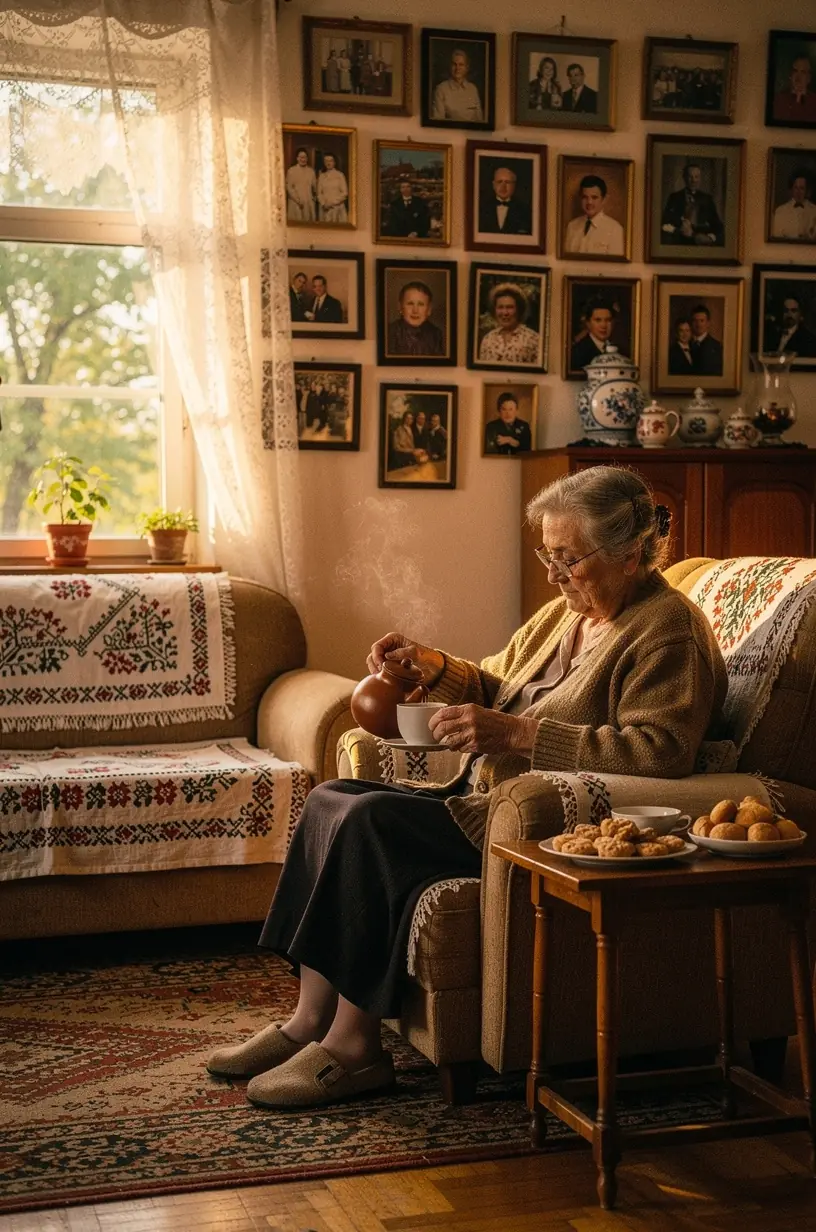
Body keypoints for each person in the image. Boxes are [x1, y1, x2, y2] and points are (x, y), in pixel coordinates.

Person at [206, 466, 727, 1110]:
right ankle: (308, 1020)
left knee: (371, 823)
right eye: (548, 554)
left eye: (568, 557)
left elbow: (662, 750)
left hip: (541, 824)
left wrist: (517, 736)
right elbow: (495, 683)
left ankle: (353, 1049)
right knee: (331, 798)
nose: (554, 573)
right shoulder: (563, 617)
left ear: (627, 552)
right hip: (480, 795)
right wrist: (433, 666)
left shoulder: (667, 630)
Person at [661, 162, 724, 247]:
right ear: (684, 178)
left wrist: (710, 238)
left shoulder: (707, 199)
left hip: (701, 245)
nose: (693, 180)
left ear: (700, 179)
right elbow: (664, 224)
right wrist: (679, 231)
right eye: (690, 176)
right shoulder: (674, 197)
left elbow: (718, 226)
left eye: (696, 177)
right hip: (679, 243)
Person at [478, 283, 540, 366]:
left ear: (519, 309)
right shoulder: (487, 339)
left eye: (510, 307)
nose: (505, 312)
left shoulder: (534, 339)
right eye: (500, 307)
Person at [563, 174, 625, 256]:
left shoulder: (615, 229)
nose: (589, 202)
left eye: (594, 197)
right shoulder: (572, 226)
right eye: (585, 197)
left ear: (604, 199)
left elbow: (616, 267)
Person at [387, 281, 445, 357]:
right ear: (400, 307)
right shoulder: (390, 332)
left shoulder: (435, 334)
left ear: (429, 310)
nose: (415, 310)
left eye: (421, 304)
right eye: (410, 303)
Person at [431, 48, 483, 123]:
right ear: (450, 66)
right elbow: (438, 122)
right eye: (454, 64)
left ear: (467, 68)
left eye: (461, 65)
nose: (457, 68)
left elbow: (480, 120)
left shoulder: (473, 89)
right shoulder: (441, 89)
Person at [478, 165, 532, 236]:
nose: (503, 186)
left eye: (507, 182)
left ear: (514, 186)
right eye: (499, 182)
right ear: (493, 185)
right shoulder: (481, 208)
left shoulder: (525, 210)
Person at [570, 297, 616, 371]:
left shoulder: (620, 351)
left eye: (608, 320)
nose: (603, 325)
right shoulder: (577, 353)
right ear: (588, 323)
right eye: (598, 320)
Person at [772, 169, 816, 240]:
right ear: (791, 189)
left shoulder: (814, 210)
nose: (798, 192)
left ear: (807, 190)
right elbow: (776, 238)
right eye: (796, 188)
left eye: (802, 188)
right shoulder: (780, 211)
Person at [773, 53, 816, 124]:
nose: (798, 76)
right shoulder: (778, 99)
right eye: (795, 71)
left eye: (803, 72)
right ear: (790, 75)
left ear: (809, 78)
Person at [689, 305, 723, 376]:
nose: (698, 324)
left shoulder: (717, 347)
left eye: (702, 321)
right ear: (691, 323)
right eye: (695, 321)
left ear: (708, 323)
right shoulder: (684, 344)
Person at [285, 147, 316, 223]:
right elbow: (289, 188)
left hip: (308, 202)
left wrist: (313, 198)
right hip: (295, 202)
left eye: (305, 157)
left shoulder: (311, 171)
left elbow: (315, 188)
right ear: (297, 158)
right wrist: (298, 200)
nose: (303, 159)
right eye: (301, 157)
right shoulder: (291, 171)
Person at [317, 153, 349, 224]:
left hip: (337, 208)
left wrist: (332, 203)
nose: (328, 163)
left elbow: (344, 193)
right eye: (326, 161)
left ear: (334, 162)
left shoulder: (340, 175)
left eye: (330, 161)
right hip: (325, 208)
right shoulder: (321, 176)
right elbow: (319, 193)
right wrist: (324, 204)